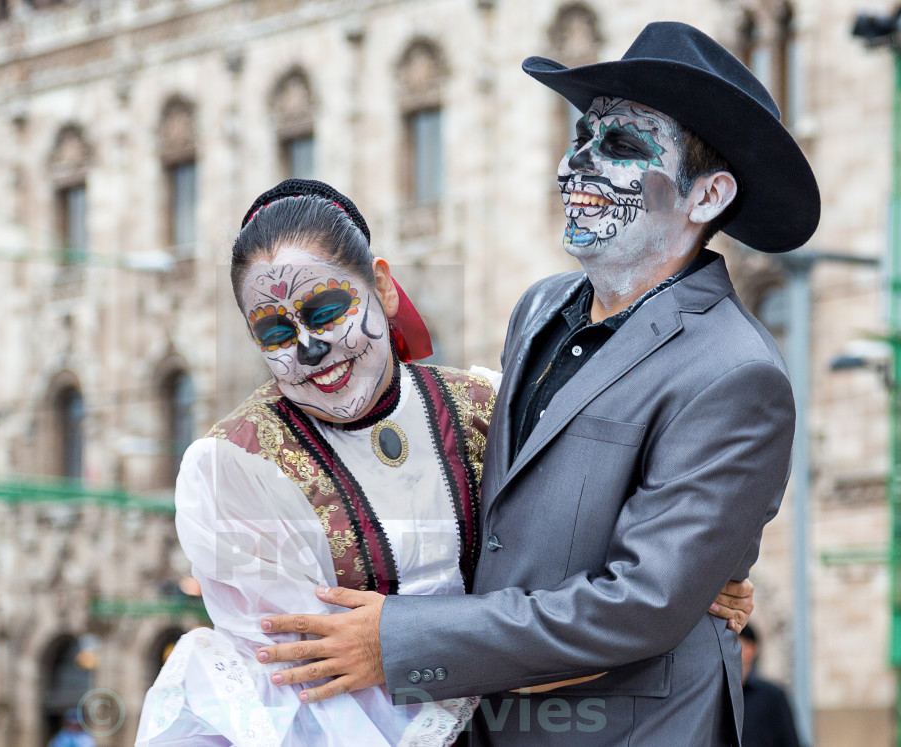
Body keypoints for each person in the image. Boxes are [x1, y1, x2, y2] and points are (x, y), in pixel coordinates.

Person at [256, 22, 817, 746]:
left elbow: (638, 604)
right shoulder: (541, 308)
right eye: (579, 137)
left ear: (706, 195)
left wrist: (398, 644)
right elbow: (501, 523)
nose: (570, 167)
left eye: (617, 147)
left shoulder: (736, 372)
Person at [134, 178, 752, 746]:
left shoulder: (491, 403)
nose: (310, 348)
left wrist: (677, 585)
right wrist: (646, 616)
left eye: (325, 311)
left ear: (379, 284)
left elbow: (585, 556)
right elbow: (325, 683)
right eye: (274, 331)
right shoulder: (235, 467)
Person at [741, 625, 800, 747]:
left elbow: (789, 741)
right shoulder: (715, 694)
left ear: (751, 649)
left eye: (735, 643)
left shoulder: (772, 696)